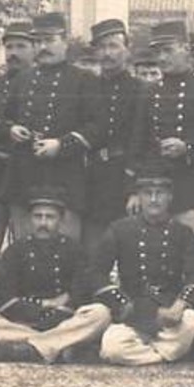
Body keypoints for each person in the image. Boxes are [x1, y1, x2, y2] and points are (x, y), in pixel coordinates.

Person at [134, 20, 194, 351]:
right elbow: (139, 144)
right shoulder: (151, 93)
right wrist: (136, 189)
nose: (163, 58)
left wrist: (189, 147)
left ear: (186, 48)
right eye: (158, 52)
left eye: (169, 50)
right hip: (160, 189)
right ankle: (166, 329)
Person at [0, 190, 112, 364]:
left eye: (50, 217)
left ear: (61, 221)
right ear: (29, 220)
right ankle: (54, 346)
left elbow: (80, 293)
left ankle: (24, 349)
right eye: (38, 217)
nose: (43, 223)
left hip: (63, 320)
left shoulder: (74, 250)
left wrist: (61, 307)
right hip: (21, 322)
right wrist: (42, 305)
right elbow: (5, 298)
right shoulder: (15, 250)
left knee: (100, 314)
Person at [91, 162, 194, 365]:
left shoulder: (183, 232)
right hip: (134, 311)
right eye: (148, 193)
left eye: (160, 193)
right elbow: (96, 274)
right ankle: (170, 354)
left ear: (170, 197)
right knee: (112, 349)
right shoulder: (119, 229)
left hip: (171, 312)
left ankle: (149, 353)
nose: (154, 199)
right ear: (139, 197)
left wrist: (181, 305)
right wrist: (125, 306)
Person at [0, 12, 94, 242]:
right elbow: (0, 120)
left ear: (65, 41)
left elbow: (96, 127)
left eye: (49, 40)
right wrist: (11, 130)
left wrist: (62, 144)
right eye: (38, 41)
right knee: (24, 247)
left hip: (65, 178)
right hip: (24, 178)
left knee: (66, 248)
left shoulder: (83, 79)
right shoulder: (22, 79)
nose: (43, 47)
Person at [82, 18, 144, 254]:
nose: (107, 53)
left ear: (127, 49)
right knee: (92, 254)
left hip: (126, 179)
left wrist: (136, 188)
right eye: (102, 47)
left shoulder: (141, 90)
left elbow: (143, 141)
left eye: (114, 46)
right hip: (93, 181)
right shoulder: (86, 87)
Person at [0, 19, 36, 253]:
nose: (13, 53)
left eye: (21, 47)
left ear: (34, 48)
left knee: (26, 243)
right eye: (9, 47)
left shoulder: (44, 85)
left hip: (27, 178)